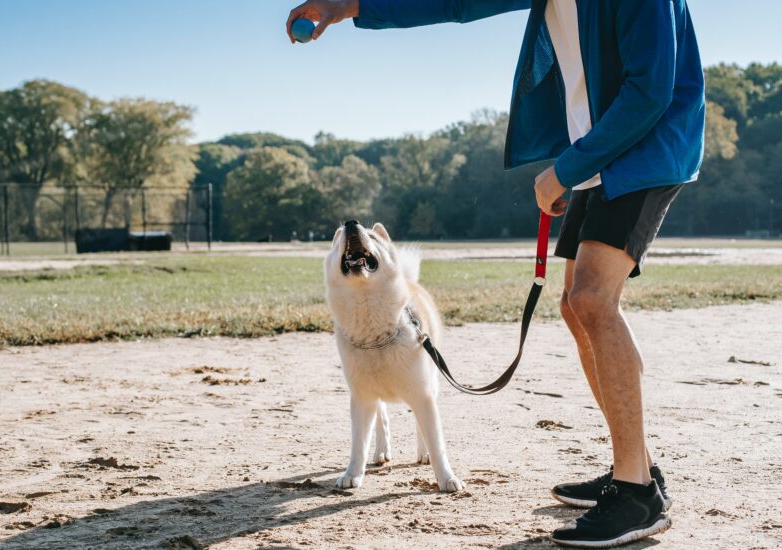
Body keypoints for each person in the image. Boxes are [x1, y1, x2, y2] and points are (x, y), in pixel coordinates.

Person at [286, 1, 705, 546]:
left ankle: (637, 495)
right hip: (598, 150)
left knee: (595, 302)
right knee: (576, 308)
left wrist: (567, 169)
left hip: (645, 147)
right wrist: (353, 6)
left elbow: (652, 90)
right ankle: (638, 467)